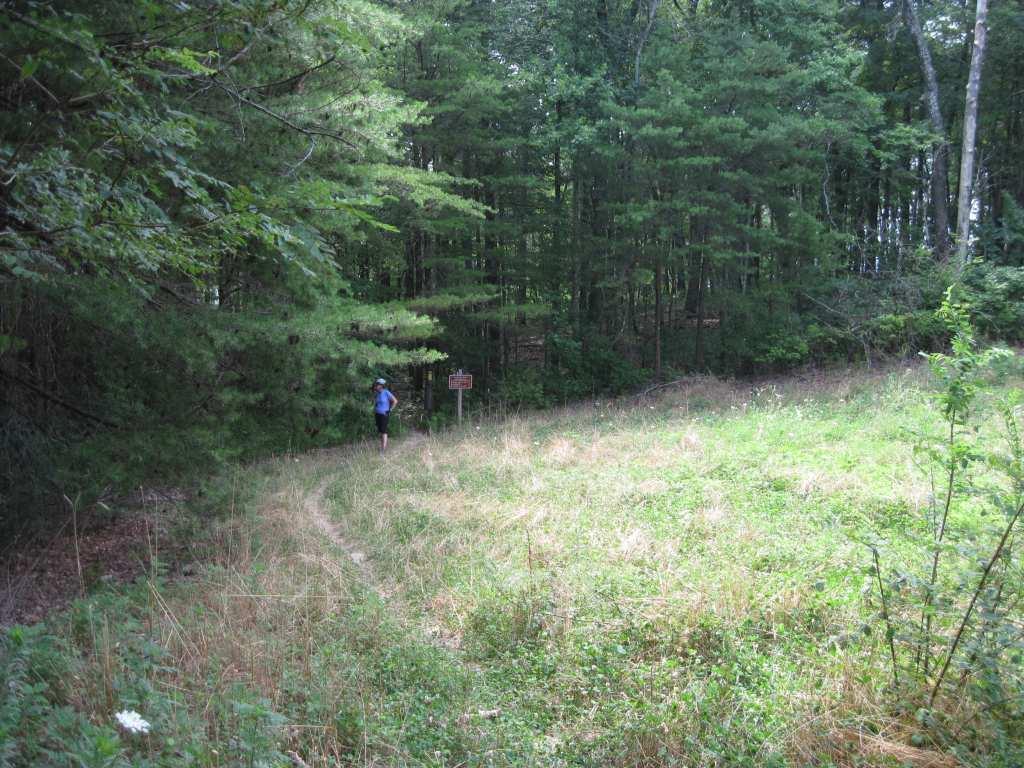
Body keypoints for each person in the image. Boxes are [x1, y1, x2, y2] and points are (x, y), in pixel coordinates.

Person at [372, 378, 398, 453]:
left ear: (381, 385)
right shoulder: (377, 394)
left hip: (384, 414)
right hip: (377, 414)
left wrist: (390, 410)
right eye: (376, 384)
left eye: (377, 384)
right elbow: (376, 403)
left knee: (384, 431)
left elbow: (395, 401)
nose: (376, 385)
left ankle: (383, 449)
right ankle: (382, 447)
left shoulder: (386, 392)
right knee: (380, 431)